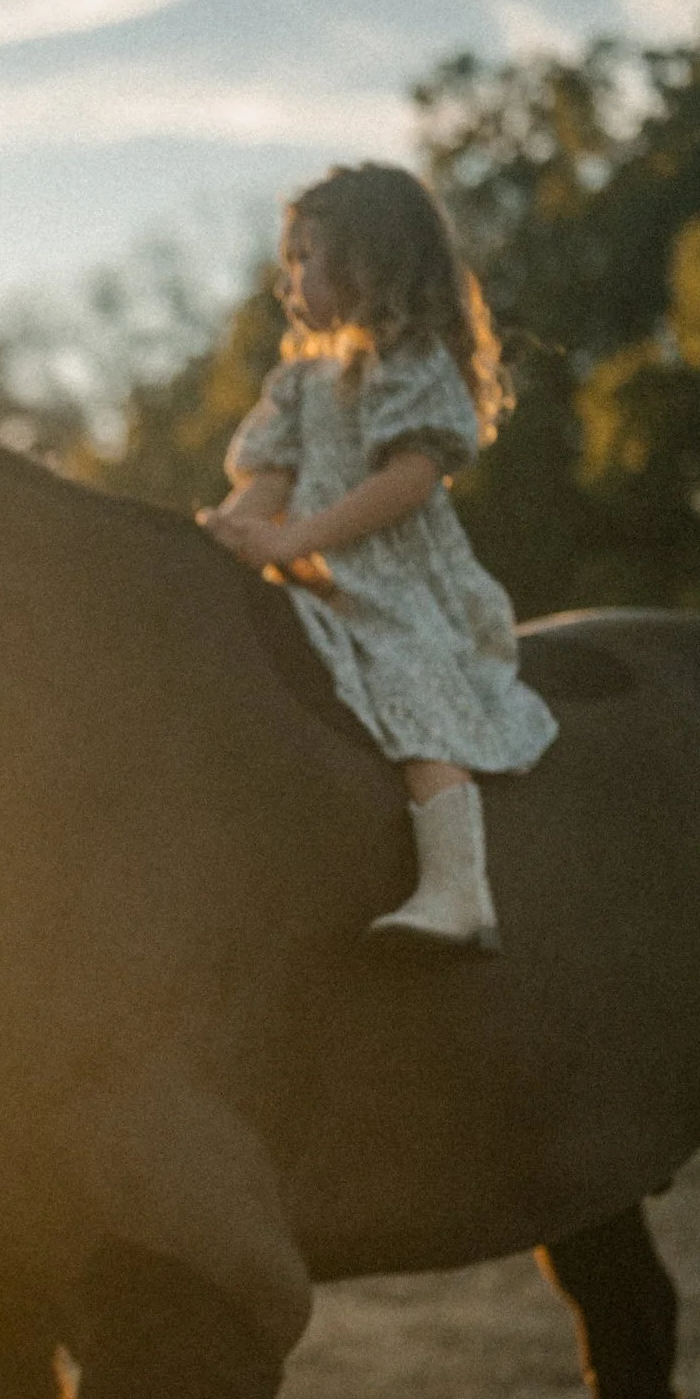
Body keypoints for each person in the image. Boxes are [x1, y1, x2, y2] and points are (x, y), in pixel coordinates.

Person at [198, 163, 556, 952]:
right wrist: (218, 544)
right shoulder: (300, 381)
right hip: (320, 587)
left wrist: (292, 541)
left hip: (400, 589)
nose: (287, 276)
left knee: (415, 692)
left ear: (367, 263)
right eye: (288, 258)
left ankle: (461, 893)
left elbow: (410, 479)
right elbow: (269, 480)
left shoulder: (408, 362)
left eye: (306, 258)